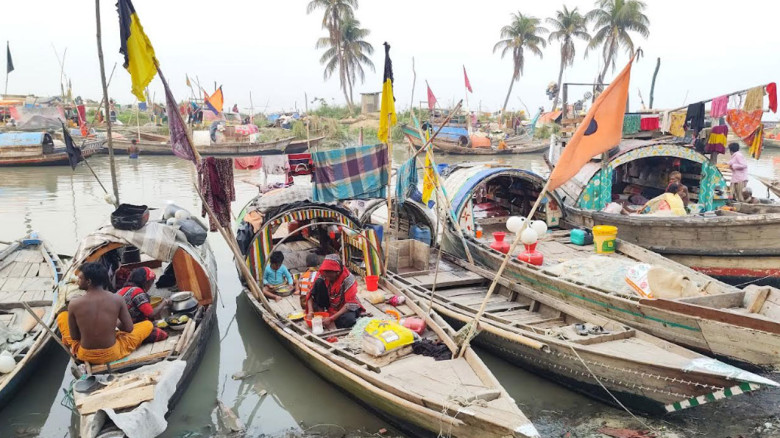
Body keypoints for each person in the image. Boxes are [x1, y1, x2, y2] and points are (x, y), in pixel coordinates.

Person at [56, 262, 153, 365]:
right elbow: (129, 329)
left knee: (62, 316)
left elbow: (75, 337)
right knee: (148, 324)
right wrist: (114, 329)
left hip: (85, 355)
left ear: (89, 282)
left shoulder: (74, 303)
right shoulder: (117, 299)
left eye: (80, 278)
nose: (77, 281)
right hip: (112, 353)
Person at [306, 254, 364, 329]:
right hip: (330, 304)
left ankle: (330, 319)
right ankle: (322, 313)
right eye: (325, 274)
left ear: (337, 272)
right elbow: (310, 293)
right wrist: (310, 311)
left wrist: (331, 318)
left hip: (345, 307)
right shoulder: (322, 274)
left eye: (329, 275)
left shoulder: (348, 278)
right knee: (319, 282)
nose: (326, 277)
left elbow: (349, 304)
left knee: (349, 320)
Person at [117, 267, 169, 342]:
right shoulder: (137, 291)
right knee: (160, 334)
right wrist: (165, 301)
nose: (151, 285)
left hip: (119, 327)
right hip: (122, 329)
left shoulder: (122, 290)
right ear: (145, 282)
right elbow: (151, 314)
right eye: (151, 282)